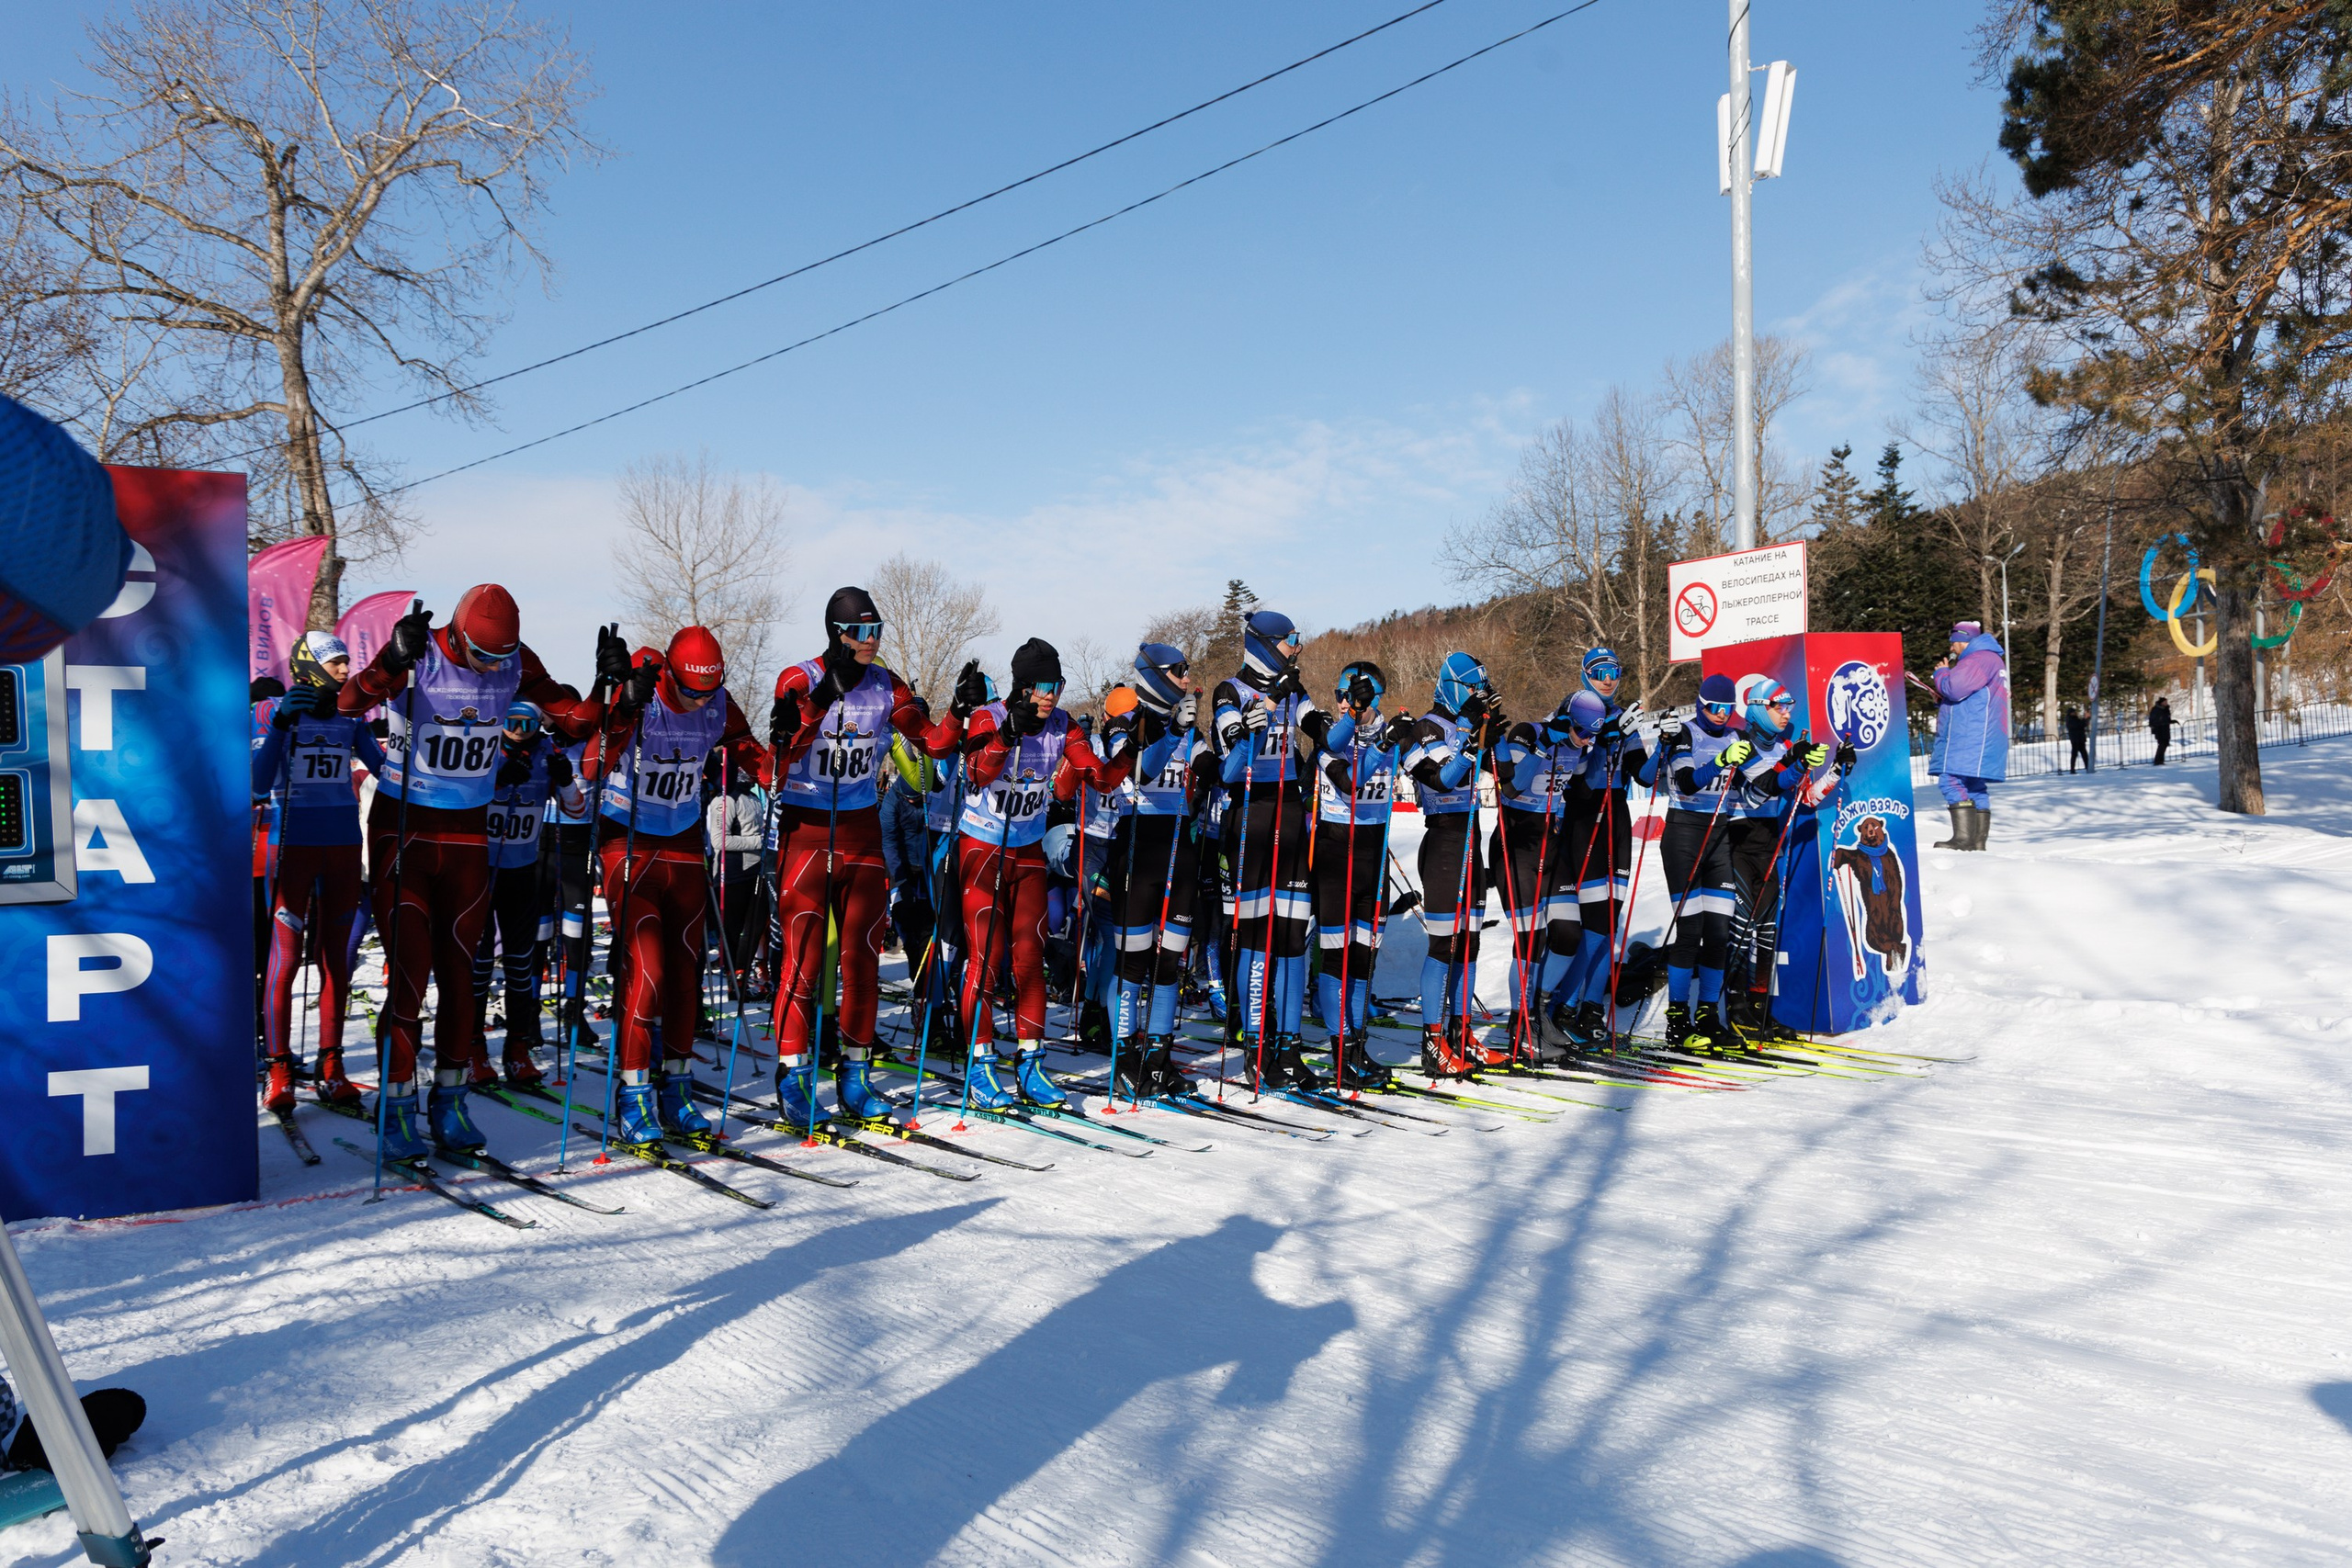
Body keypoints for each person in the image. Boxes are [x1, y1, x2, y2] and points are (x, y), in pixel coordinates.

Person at [335, 585, 603, 1158]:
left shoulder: (516, 661)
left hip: (467, 834)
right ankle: (396, 1106)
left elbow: (577, 723)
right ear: (457, 635)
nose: (491, 668)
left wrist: (608, 689)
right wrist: (388, 662)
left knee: (461, 975)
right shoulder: (420, 650)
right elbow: (349, 704)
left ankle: (451, 1100)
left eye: (501, 658)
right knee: (410, 976)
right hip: (405, 828)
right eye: (481, 656)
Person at [765, 587, 959, 1127]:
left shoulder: (886, 684)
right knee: (804, 962)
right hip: (806, 829)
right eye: (861, 632)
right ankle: (793, 1075)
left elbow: (933, 744)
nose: (872, 641)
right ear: (837, 633)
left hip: (862, 831)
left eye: (877, 631)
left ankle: (855, 1075)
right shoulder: (799, 676)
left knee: (863, 962)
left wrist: (959, 714)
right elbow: (779, 758)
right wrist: (817, 701)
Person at [586, 627, 768, 1145]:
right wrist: (621, 708)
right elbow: (591, 763)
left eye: (710, 692)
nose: (701, 702)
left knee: (687, 973)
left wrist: (784, 740)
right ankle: (633, 1091)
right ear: (670, 673)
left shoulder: (717, 704)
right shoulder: (642, 686)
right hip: (629, 840)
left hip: (684, 843)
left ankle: (677, 1085)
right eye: (691, 692)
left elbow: (760, 761)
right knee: (649, 971)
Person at [940, 637, 1129, 1107]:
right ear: (1023, 686)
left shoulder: (1062, 724)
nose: (1051, 696)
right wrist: (1007, 735)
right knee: (987, 959)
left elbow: (1101, 779)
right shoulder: (989, 716)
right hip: (982, 848)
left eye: (1057, 686)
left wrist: (1133, 750)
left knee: (1030, 959)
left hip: (1027, 851)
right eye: (1043, 686)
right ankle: (981, 1064)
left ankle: (1030, 1063)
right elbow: (977, 773)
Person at [251, 632, 386, 1111]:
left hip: (344, 847)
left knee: (336, 960)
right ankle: (279, 1069)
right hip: (292, 848)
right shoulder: (272, 711)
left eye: (348, 662)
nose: (346, 670)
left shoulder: (351, 715)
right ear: (309, 667)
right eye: (336, 663)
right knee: (286, 960)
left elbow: (386, 771)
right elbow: (257, 784)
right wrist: (281, 726)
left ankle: (332, 1065)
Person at [1209, 610, 1343, 1090]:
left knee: (1290, 940)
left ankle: (1288, 1047)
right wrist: (1264, 707)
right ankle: (1256, 1045)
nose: (1297, 647)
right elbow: (1230, 766)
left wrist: (1351, 717)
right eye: (1291, 639)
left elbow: (1326, 738)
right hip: (1251, 815)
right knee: (1255, 939)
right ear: (1266, 644)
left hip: (1289, 814)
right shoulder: (1230, 692)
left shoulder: (1294, 688)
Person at [1097, 647, 1217, 1098]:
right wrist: (1173, 732)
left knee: (1170, 962)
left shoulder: (1186, 723)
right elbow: (1141, 772)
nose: (1186, 678)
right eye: (1178, 671)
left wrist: (1242, 743)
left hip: (1179, 844)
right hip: (1137, 844)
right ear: (1155, 676)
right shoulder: (1127, 721)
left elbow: (1214, 770)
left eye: (1187, 670)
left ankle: (1159, 1058)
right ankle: (1126, 1058)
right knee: (1133, 961)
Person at [1401, 651, 1507, 1077]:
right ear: (1450, 686)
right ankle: (1432, 1043)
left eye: (1482, 688)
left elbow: (1502, 775)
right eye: (1471, 687)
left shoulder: (1471, 724)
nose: (1477, 694)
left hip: (1471, 840)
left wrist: (1493, 738)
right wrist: (1468, 736)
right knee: (1443, 946)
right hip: (1443, 842)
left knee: (1470, 944)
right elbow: (1443, 778)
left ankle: (1461, 1035)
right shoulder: (1424, 728)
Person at [1310, 661, 1415, 1089]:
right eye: (1341, 695)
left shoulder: (1392, 733)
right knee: (1337, 958)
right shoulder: (1330, 736)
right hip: (1336, 854)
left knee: (1363, 959)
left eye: (1354, 696)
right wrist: (1382, 743)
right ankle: (1340, 1053)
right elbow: (1350, 781)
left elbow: (1434, 771)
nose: (1345, 703)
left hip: (1374, 855)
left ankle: (1357, 1047)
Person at [471, 701, 582, 1084]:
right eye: (512, 722)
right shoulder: (486, 747)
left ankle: (517, 1049)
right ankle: (473, 1050)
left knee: (520, 964)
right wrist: (498, 782)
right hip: (481, 869)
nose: (519, 730)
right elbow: (462, 798)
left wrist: (565, 780)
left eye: (528, 723)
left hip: (522, 871)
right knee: (479, 965)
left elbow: (576, 809)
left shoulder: (547, 755)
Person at [1488, 685, 1596, 1066]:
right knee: (1531, 942)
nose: (1587, 739)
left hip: (1550, 846)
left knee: (1568, 933)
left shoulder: (1580, 746)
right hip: (1516, 844)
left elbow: (1580, 786)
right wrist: (1543, 747)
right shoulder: (1528, 733)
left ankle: (1539, 1011)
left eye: (1593, 734)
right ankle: (1520, 1026)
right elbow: (1511, 787)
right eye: (1583, 731)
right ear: (1566, 719)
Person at [1548, 649, 1650, 1051]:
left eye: (1614, 672)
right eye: (1599, 672)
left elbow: (1643, 772)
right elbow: (1568, 760)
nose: (1608, 679)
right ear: (1585, 675)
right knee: (1591, 921)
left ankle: (1592, 1008)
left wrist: (1664, 746)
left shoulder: (1623, 714)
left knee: (1610, 920)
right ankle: (1563, 1005)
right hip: (1583, 815)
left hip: (1616, 816)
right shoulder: (1572, 709)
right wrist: (1610, 733)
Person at [1647, 672, 1747, 1051]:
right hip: (1684, 835)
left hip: (1718, 835)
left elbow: (1761, 782)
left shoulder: (1737, 737)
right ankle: (1677, 1020)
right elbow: (1688, 781)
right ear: (1702, 704)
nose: (1721, 714)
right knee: (1690, 931)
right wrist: (1721, 760)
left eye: (1727, 708)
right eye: (1714, 707)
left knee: (1719, 932)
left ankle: (1708, 1016)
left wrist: (1795, 765)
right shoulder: (1685, 734)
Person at [1932, 619, 2009, 852]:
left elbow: (1954, 689)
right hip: (1984, 732)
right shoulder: (1990, 659)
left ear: (1962, 640)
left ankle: (1963, 839)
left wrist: (1941, 674)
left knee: (1950, 779)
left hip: (1972, 734)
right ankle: (1977, 841)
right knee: (1974, 784)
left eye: (1953, 643)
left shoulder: (1978, 659)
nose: (1951, 648)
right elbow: (1971, 697)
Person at [706, 761, 768, 1000]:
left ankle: (741, 977)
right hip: (732, 874)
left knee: (755, 927)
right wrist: (760, 841)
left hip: (755, 871)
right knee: (733, 932)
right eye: (750, 770)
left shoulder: (753, 796)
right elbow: (720, 841)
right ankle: (735, 983)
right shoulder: (725, 800)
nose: (756, 774)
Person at [2064, 705, 2090, 773]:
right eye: (2073, 712)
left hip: (2080, 739)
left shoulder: (2075, 719)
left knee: (2083, 754)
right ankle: (2072, 769)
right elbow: (2079, 725)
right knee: (2075, 755)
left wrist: (2086, 719)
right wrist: (2085, 719)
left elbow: (2082, 724)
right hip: (2075, 739)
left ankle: (2087, 767)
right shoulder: (2070, 720)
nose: (2075, 713)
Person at [2149, 695, 2174, 765]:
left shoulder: (2166, 709)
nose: (2166, 703)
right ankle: (2157, 760)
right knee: (2161, 744)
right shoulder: (2156, 709)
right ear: (2161, 703)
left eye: (2166, 702)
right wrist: (2154, 727)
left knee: (2165, 744)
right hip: (2159, 729)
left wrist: (2171, 721)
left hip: (2166, 729)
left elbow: (2167, 718)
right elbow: (2153, 720)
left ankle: (2161, 760)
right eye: (2165, 702)